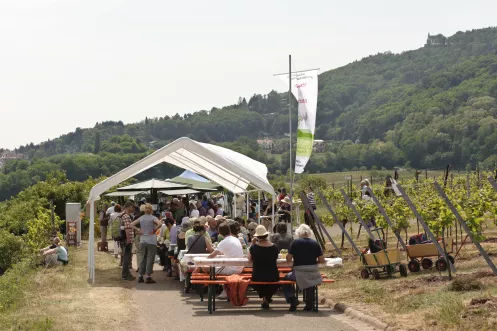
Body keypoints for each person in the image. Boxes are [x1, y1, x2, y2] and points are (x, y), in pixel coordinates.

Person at [284, 224, 325, 311]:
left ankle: (292, 299)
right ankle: (309, 303)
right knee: (310, 281)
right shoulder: (315, 243)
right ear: (309, 233)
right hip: (313, 272)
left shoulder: (295, 243)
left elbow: (288, 258)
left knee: (285, 280)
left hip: (299, 273)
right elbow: (321, 260)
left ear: (298, 233)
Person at [207, 222, 244, 299]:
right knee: (220, 268)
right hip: (239, 268)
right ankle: (225, 290)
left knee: (208, 269)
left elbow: (212, 256)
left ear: (219, 233)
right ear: (229, 230)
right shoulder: (236, 239)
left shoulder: (224, 242)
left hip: (232, 269)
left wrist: (205, 260)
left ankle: (224, 290)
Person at [247, 225, 279, 309]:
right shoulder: (274, 246)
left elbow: (249, 259)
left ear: (257, 236)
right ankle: (267, 297)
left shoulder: (254, 247)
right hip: (273, 275)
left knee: (257, 283)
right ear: (266, 235)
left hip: (258, 275)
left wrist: (252, 243)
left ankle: (265, 298)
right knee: (274, 282)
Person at [131, 203, 162, 284]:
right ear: (151, 210)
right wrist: (155, 229)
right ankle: (148, 276)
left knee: (143, 257)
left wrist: (138, 230)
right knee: (150, 258)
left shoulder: (141, 218)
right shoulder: (153, 217)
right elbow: (160, 224)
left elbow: (131, 224)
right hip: (151, 240)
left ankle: (140, 276)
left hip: (143, 239)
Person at [121, 201, 136, 281]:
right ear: (128, 207)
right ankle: (125, 275)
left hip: (123, 239)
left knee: (126, 257)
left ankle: (127, 273)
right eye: (132, 207)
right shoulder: (126, 216)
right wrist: (129, 240)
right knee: (127, 257)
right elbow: (127, 229)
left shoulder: (122, 214)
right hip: (127, 239)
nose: (133, 209)